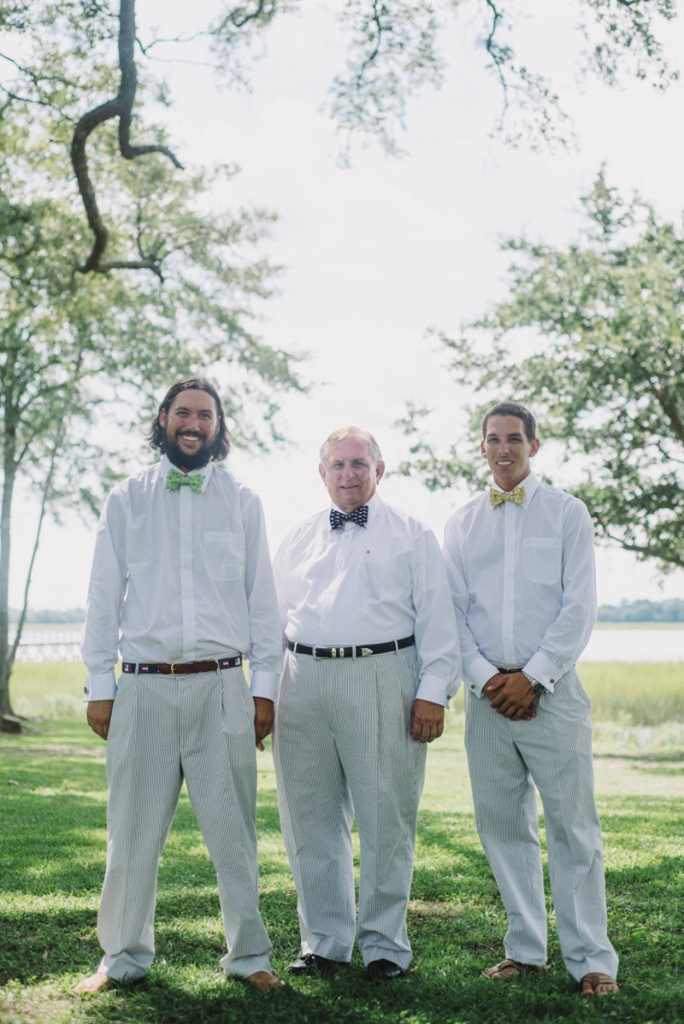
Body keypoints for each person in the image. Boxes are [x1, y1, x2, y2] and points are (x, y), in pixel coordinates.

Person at [76, 377, 283, 994]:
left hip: (222, 686)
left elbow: (263, 601)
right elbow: (101, 595)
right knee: (131, 831)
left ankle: (251, 958)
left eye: (207, 415)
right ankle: (121, 957)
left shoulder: (243, 501)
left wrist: (264, 687)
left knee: (234, 833)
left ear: (219, 427)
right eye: (184, 412)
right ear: (163, 418)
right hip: (141, 687)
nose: (194, 423)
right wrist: (98, 683)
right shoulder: (126, 499)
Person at [442, 401, 619, 998]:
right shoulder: (461, 523)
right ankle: (525, 949)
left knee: (574, 828)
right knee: (502, 826)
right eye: (492, 439)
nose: (503, 448)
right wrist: (487, 678)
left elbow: (579, 609)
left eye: (514, 438)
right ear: (483, 447)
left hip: (554, 695)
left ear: (534, 446)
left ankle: (592, 958)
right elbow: (454, 614)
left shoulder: (569, 515)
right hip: (487, 700)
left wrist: (533, 677)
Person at [272, 427, 461, 980]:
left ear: (380, 471)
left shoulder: (413, 535)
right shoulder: (298, 537)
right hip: (302, 680)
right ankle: (324, 942)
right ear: (322, 471)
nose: (348, 473)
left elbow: (438, 622)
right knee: (309, 820)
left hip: (384, 675)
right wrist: (262, 693)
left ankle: (384, 947)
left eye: (359, 463)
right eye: (338, 463)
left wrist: (432, 694)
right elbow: (268, 621)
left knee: (387, 819)